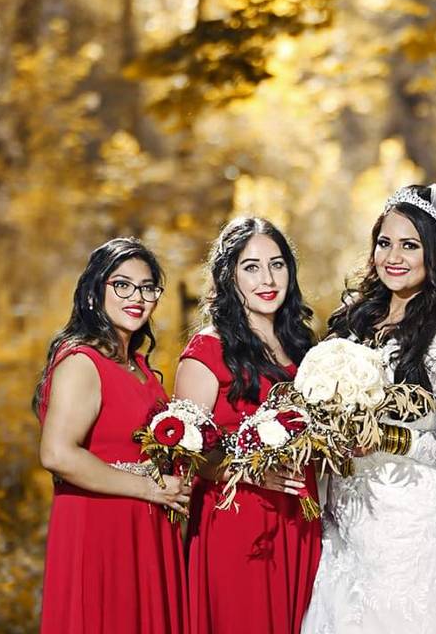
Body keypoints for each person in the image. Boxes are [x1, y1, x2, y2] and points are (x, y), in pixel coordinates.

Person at [303, 184, 436, 634]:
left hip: (408, 512)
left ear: (434, 254)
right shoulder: (356, 320)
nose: (393, 255)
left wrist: (388, 436)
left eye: (410, 245)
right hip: (345, 509)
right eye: (384, 242)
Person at [35, 237, 188, 634]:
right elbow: (57, 454)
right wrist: (150, 489)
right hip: (101, 528)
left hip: (146, 529)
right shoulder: (82, 362)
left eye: (147, 287)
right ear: (94, 291)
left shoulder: (136, 364)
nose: (137, 296)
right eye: (122, 284)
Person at [174, 217, 320, 634]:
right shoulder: (207, 350)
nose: (267, 278)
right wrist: (251, 471)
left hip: (301, 517)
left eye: (277, 264)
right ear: (229, 276)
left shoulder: (304, 347)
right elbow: (186, 451)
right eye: (251, 267)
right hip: (238, 521)